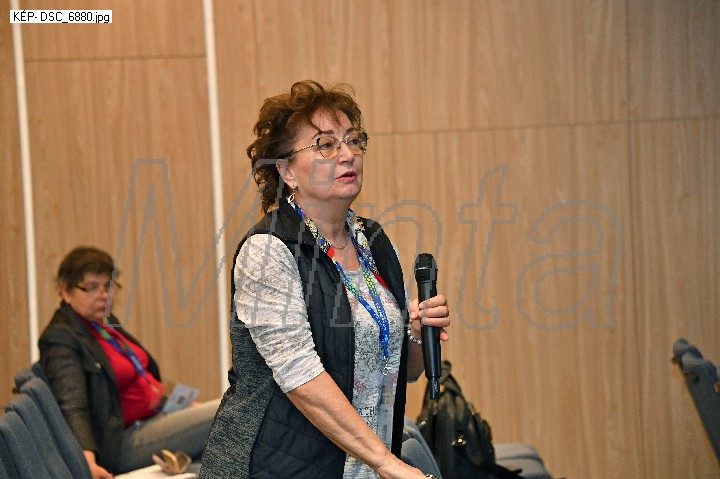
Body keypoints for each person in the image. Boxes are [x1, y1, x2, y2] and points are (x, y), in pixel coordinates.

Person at [199, 80, 451, 478]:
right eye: (326, 145)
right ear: (286, 171)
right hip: (274, 467)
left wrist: (417, 335)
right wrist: (386, 462)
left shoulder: (373, 241)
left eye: (353, 140)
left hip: (362, 464)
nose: (348, 154)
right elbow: (300, 376)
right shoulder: (268, 250)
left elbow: (399, 371)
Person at [38, 246, 220, 479]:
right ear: (66, 291)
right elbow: (71, 402)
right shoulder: (61, 337)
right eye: (91, 287)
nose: (103, 295)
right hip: (123, 442)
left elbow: (143, 377)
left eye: (108, 286)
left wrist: (184, 405)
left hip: (157, 417)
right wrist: (87, 461)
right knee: (228, 411)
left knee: (217, 463)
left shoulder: (105, 323)